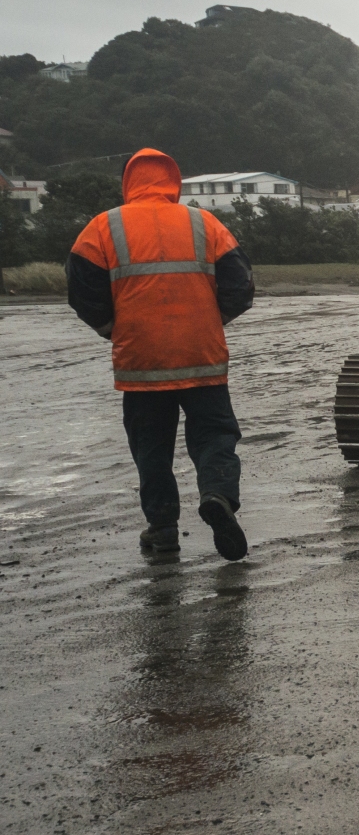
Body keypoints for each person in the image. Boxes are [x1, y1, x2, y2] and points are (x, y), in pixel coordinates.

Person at [66, 148, 255, 560]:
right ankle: (218, 494)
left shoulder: (102, 227)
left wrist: (112, 329)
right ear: (174, 181)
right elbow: (241, 285)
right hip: (201, 354)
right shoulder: (204, 223)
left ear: (127, 182)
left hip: (141, 361)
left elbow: (81, 291)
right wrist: (212, 320)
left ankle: (164, 529)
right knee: (215, 434)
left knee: (150, 446)